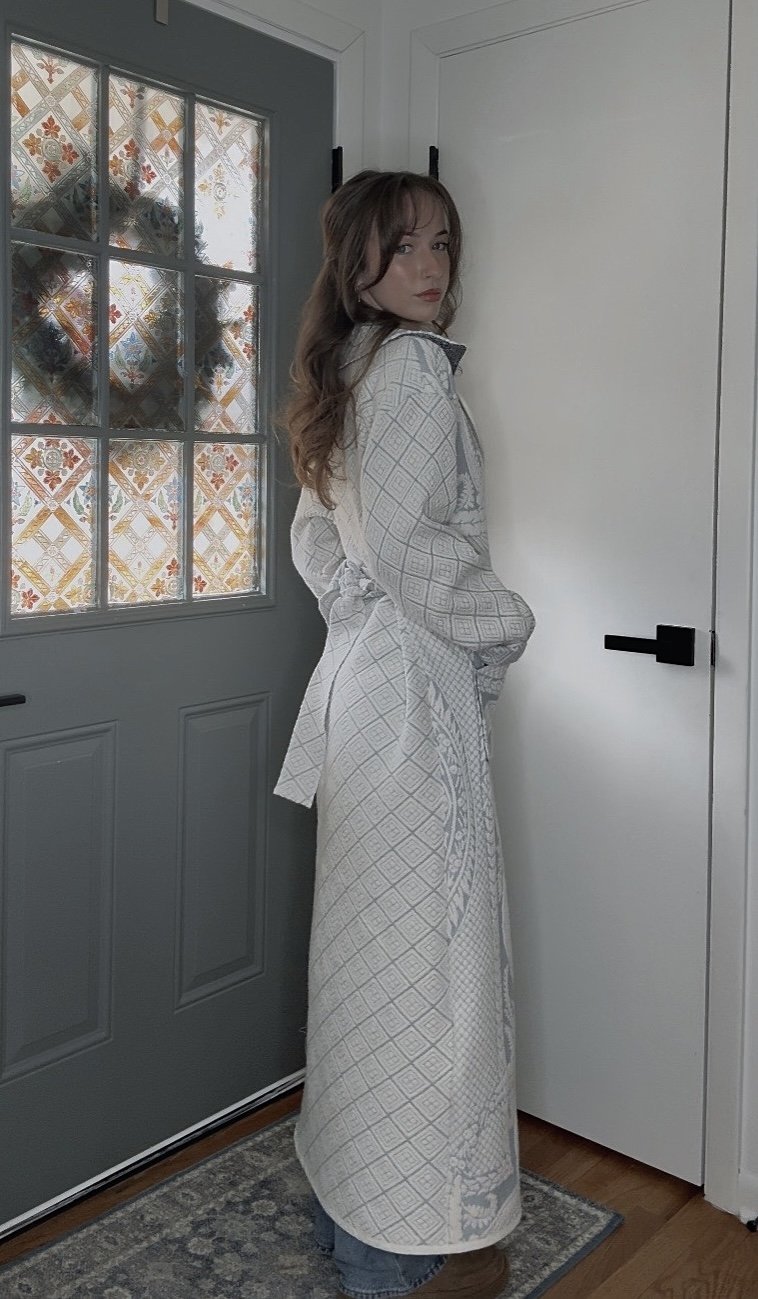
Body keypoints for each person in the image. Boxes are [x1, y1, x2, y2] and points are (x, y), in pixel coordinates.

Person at [274, 169, 535, 1299]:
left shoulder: (342, 371)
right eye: (402, 245)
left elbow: (320, 543)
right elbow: (407, 550)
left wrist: (362, 619)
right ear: (358, 264)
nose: (430, 265)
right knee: (433, 971)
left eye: (440, 243)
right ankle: (405, 1244)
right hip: (411, 705)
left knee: (368, 962)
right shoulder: (412, 367)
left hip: (356, 695)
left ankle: (356, 1215)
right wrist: (505, 620)